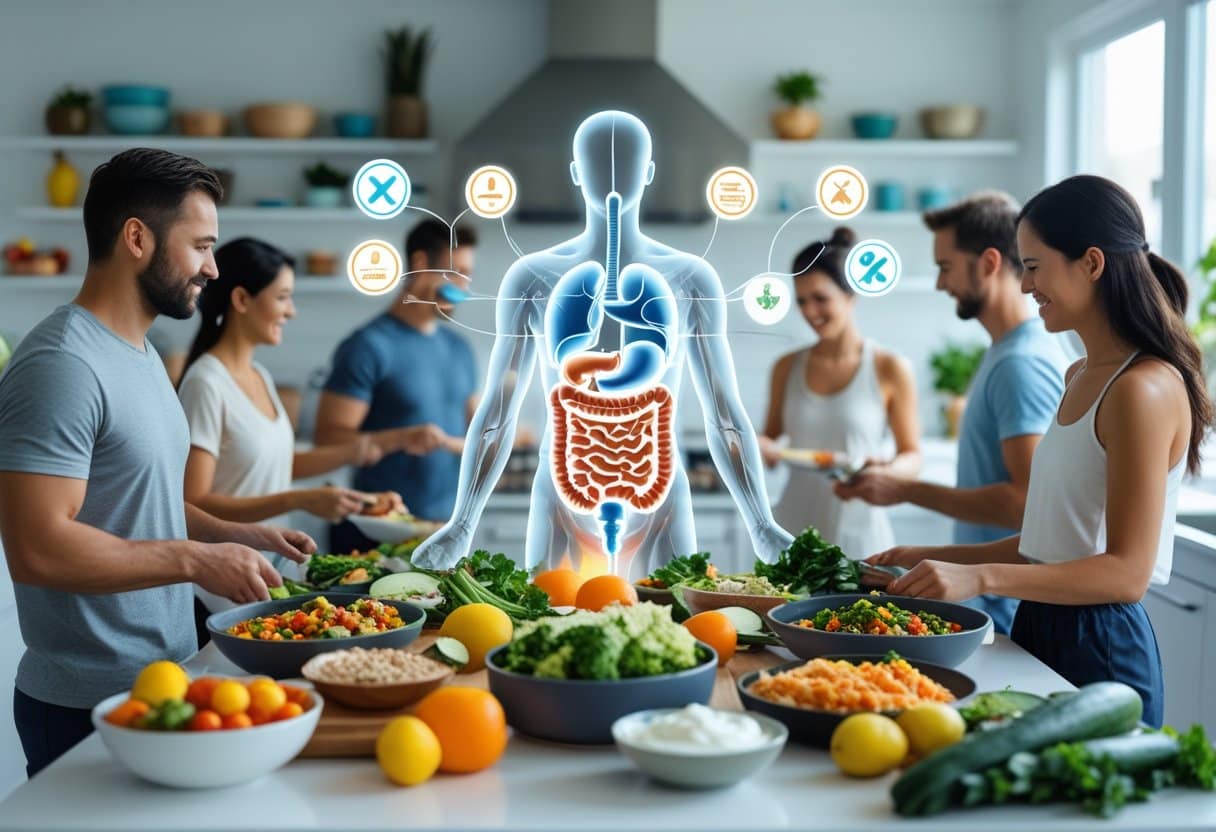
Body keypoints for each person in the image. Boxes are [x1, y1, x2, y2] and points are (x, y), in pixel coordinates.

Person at [0, 149, 316, 776]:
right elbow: (37, 547)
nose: (213, 267)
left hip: (167, 679)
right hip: (87, 705)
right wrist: (198, 559)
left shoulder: (142, 354)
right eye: (200, 246)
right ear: (137, 238)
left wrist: (231, 534)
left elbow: (140, 501)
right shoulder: (62, 364)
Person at [868, 175, 1211, 727]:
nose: (1025, 286)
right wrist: (924, 557)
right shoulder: (1079, 374)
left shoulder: (1141, 388)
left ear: (1091, 263)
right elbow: (1050, 544)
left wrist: (980, 579)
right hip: (1042, 623)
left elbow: (1126, 574)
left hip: (1101, 643)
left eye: (1033, 266)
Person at [411, 109, 793, 578]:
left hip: (660, 493)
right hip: (563, 489)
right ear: (576, 173)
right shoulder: (531, 277)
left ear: (648, 172)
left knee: (672, 638)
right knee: (553, 637)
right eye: (599, 165)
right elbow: (497, 411)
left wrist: (761, 522)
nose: (612, 177)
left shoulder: (692, 278)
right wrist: (462, 522)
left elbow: (726, 413)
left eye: (626, 165)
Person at [835, 192, 1067, 634]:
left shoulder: (1021, 363)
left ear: (989, 263)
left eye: (945, 267)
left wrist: (905, 490)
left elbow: (1025, 505)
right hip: (992, 602)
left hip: (1005, 609)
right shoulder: (1007, 352)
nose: (942, 284)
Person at [177, 237, 402, 619]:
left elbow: (276, 465)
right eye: (282, 297)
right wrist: (298, 499)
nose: (291, 311)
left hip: (269, 573)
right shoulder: (205, 383)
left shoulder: (259, 376)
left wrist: (355, 499)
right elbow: (193, 501)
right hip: (223, 585)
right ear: (242, 300)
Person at [315, 220, 479, 554]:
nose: (463, 286)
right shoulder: (368, 346)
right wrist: (399, 438)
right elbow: (328, 439)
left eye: (467, 275)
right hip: (374, 534)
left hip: (444, 530)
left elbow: (476, 432)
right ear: (420, 264)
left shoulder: (460, 349)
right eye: (455, 273)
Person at [757, 226, 921, 557]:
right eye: (801, 300)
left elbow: (912, 455)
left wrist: (886, 473)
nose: (809, 312)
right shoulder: (786, 367)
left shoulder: (890, 367)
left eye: (820, 299)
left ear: (851, 295)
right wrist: (757, 448)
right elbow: (770, 444)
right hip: (792, 531)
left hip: (860, 535)